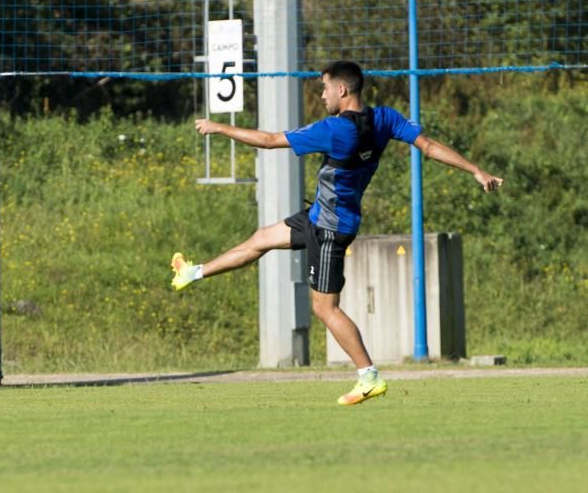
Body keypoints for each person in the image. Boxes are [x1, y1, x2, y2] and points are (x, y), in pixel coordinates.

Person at [170, 60, 504, 405]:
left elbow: (269, 141)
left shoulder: (334, 130)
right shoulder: (385, 118)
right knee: (261, 239)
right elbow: (429, 146)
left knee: (325, 308)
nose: (322, 94)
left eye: (325, 88)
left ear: (342, 90)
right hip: (321, 216)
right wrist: (476, 170)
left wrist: (218, 128)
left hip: (330, 227)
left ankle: (369, 376)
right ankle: (193, 272)